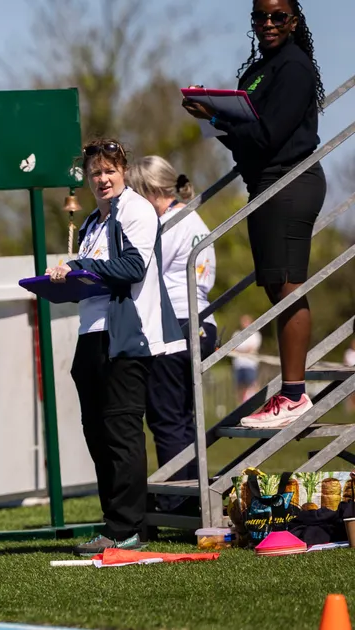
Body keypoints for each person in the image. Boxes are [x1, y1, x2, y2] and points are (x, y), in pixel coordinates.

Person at [182, 0, 326, 429]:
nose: (268, 23)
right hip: (264, 184)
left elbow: (268, 135)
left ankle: (295, 394)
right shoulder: (259, 69)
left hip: (289, 183)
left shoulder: (294, 67)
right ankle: (290, 390)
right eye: (260, 16)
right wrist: (215, 117)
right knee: (275, 287)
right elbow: (248, 140)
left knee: (287, 286)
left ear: (294, 20)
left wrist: (219, 118)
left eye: (278, 16)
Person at [46, 139, 185, 555]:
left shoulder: (137, 210)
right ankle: (119, 523)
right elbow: (93, 277)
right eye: (95, 173)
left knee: (122, 433)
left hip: (128, 337)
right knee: (98, 434)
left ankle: (127, 528)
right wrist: (62, 283)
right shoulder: (91, 221)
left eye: (109, 170)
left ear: (123, 171)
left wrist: (80, 267)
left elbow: (132, 267)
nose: (102, 179)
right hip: (91, 336)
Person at [126, 156, 217, 515]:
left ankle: (178, 501)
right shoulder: (193, 218)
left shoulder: (167, 224)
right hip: (200, 320)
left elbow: (143, 272)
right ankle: (192, 495)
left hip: (175, 321)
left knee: (166, 417)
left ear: (150, 190)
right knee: (182, 417)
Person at [233, 314, 263, 403]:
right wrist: (243, 351)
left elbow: (251, 349)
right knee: (239, 387)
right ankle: (240, 406)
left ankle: (257, 405)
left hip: (250, 365)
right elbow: (233, 349)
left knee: (253, 385)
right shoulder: (236, 334)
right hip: (239, 365)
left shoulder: (255, 335)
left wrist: (240, 351)